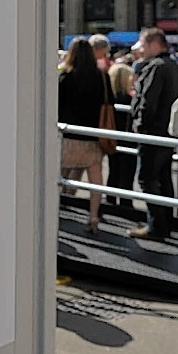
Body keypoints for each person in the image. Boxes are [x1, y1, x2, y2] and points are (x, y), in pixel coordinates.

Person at [129, 28, 178, 241]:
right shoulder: (174, 67)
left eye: (143, 45)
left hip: (153, 132)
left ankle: (156, 225)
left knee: (147, 178)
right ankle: (165, 222)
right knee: (163, 178)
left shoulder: (155, 67)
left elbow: (147, 101)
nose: (140, 50)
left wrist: (139, 126)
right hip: (168, 132)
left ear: (154, 44)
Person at [58, 38, 113, 232]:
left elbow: (57, 106)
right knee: (96, 179)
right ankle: (93, 216)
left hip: (69, 135)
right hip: (93, 135)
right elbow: (109, 103)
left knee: (60, 175)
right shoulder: (102, 77)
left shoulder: (65, 77)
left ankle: (57, 210)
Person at [105, 57, 137, 210]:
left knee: (113, 171)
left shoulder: (109, 99)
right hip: (128, 140)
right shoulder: (130, 100)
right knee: (127, 175)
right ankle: (126, 204)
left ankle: (110, 200)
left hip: (112, 138)